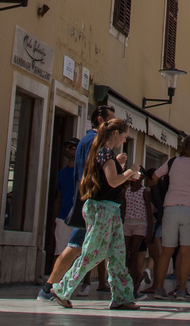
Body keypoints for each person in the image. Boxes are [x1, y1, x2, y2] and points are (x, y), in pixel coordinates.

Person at [50, 119, 139, 309]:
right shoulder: (105, 152)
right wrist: (131, 171)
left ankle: (122, 297)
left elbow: (106, 179)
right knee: (91, 253)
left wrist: (118, 164)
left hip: (110, 209)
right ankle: (62, 289)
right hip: (102, 210)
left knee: (117, 255)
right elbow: (114, 181)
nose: (123, 140)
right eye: (123, 136)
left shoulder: (104, 153)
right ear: (115, 134)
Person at [39, 105, 113, 301]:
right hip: (91, 203)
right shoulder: (95, 142)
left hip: (87, 201)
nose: (112, 127)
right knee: (74, 247)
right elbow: (95, 173)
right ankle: (50, 288)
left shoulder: (87, 141)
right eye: (110, 121)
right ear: (100, 121)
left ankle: (55, 288)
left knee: (84, 248)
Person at [151, 135, 190, 299]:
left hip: (171, 208)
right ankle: (181, 289)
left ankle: (159, 288)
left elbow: (154, 177)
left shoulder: (172, 162)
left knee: (166, 251)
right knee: (186, 252)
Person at [122, 164, 154, 289]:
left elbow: (149, 213)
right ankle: (129, 276)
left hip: (140, 223)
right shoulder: (126, 192)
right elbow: (123, 210)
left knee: (134, 252)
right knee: (125, 253)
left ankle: (134, 280)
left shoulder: (144, 192)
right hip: (127, 223)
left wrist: (149, 230)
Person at [51, 139, 78, 272]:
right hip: (63, 217)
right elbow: (59, 196)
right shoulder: (61, 174)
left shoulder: (82, 173)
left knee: (79, 253)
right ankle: (56, 281)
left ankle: (84, 283)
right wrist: (56, 217)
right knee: (60, 251)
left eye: (72, 147)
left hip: (79, 218)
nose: (68, 149)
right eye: (66, 147)